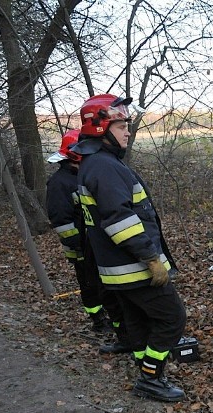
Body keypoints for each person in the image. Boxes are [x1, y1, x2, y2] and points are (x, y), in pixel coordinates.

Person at [72, 94, 186, 402]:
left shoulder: (94, 164)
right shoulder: (105, 168)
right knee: (173, 318)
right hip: (133, 267)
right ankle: (151, 375)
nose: (127, 132)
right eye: (121, 126)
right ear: (100, 129)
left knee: (136, 319)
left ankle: (142, 364)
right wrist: (151, 258)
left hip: (116, 269)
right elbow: (119, 220)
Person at [46, 129, 130, 354]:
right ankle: (98, 320)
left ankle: (118, 326)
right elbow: (61, 220)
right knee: (91, 286)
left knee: (106, 286)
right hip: (81, 248)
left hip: (95, 244)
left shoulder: (83, 175)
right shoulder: (59, 183)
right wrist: (78, 246)